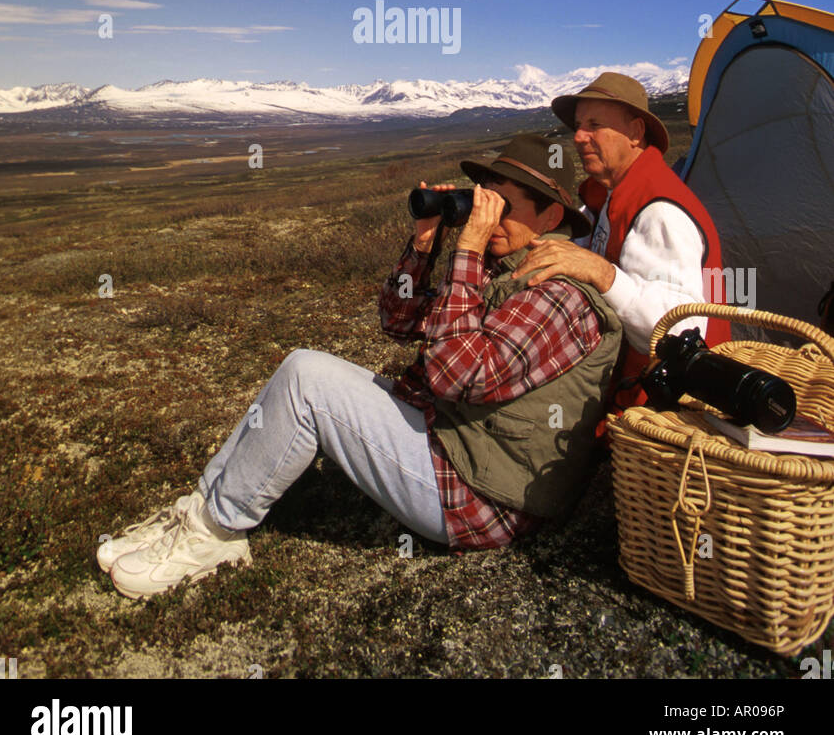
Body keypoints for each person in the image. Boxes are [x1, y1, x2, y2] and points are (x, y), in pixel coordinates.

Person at [97, 134, 623, 599]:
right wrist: (425, 244)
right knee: (300, 370)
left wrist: (466, 248)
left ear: (552, 216)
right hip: (456, 444)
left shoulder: (558, 293)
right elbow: (398, 319)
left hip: (483, 496)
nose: (486, 218)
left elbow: (455, 374)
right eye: (482, 204)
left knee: (306, 379)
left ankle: (216, 534)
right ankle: (200, 511)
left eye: (502, 206)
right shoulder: (505, 269)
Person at [514, 73, 729, 409]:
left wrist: (605, 275)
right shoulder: (611, 194)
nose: (579, 137)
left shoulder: (660, 210)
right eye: (578, 126)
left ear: (635, 132)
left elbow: (682, 329)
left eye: (595, 124)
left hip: (666, 409)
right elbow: (579, 248)